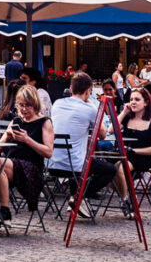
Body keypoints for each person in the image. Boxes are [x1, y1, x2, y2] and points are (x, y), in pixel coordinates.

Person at [50, 72, 129, 218]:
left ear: (71, 89)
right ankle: (79, 197)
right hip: (75, 165)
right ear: (88, 91)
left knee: (82, 156)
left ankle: (77, 198)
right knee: (110, 170)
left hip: (53, 164)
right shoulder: (89, 108)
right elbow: (103, 134)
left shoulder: (57, 104)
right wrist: (92, 104)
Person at [0, 85, 54, 224]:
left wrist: (27, 139)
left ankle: (5, 211)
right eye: (21, 105)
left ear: (35, 104)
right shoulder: (16, 121)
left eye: (27, 106)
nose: (24, 109)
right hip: (11, 164)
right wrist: (6, 137)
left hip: (31, 169)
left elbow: (48, 152)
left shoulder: (44, 122)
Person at [118, 87, 151, 181]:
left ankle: (127, 195)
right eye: (131, 99)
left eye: (137, 99)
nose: (133, 102)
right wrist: (124, 112)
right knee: (108, 169)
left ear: (146, 102)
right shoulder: (128, 118)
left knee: (120, 169)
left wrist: (133, 150)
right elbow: (111, 130)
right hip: (122, 155)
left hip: (141, 158)